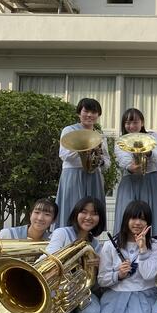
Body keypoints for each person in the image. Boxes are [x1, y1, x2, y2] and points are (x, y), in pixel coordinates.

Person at [55, 98, 109, 229]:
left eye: (94, 112)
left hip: (93, 177)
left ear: (98, 115)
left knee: (92, 211)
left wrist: (99, 159)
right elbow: (64, 154)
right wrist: (86, 151)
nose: (89, 115)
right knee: (72, 209)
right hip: (73, 175)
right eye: (86, 111)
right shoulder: (69, 130)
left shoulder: (99, 135)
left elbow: (107, 162)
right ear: (79, 113)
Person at [113, 108, 157, 237]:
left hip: (151, 181)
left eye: (135, 122)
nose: (131, 126)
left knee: (151, 217)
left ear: (142, 123)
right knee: (128, 216)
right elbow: (123, 160)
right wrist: (130, 167)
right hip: (130, 181)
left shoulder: (152, 136)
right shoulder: (120, 141)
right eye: (127, 123)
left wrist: (148, 152)